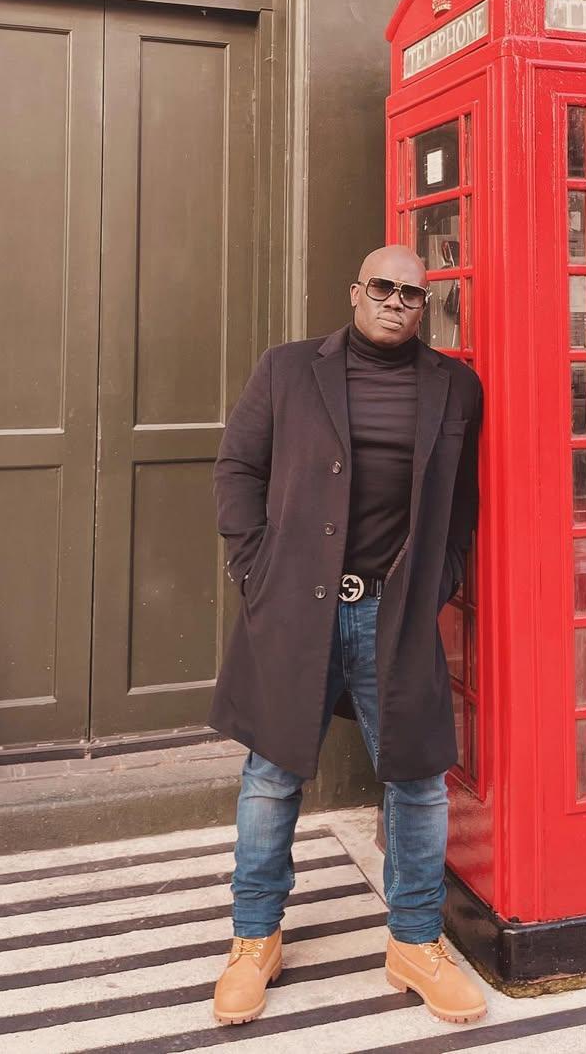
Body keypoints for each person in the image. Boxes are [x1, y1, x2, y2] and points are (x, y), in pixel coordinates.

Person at [208, 244, 486, 1025]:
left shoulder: (455, 387)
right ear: (355, 291)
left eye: (413, 293)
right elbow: (237, 468)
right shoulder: (290, 369)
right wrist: (254, 571)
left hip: (393, 611)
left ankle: (414, 941)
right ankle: (254, 938)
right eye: (384, 287)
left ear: (424, 306)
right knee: (272, 772)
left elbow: (461, 506)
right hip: (297, 604)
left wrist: (438, 584)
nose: (397, 301)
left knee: (419, 777)